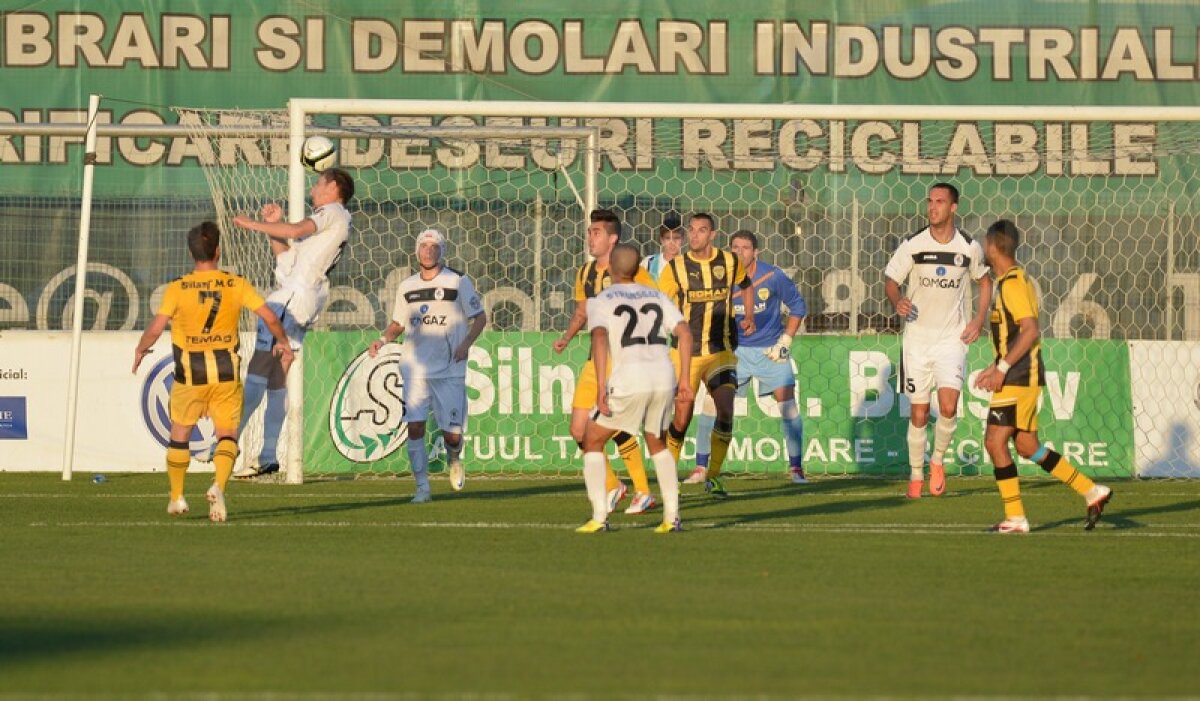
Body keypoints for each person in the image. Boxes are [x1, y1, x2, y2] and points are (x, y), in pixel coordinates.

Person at [132, 221, 294, 522]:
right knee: (227, 436)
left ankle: (177, 497)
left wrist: (141, 349)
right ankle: (218, 486)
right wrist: (283, 341)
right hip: (225, 373)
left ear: (191, 253)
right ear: (218, 251)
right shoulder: (235, 284)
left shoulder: (178, 288)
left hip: (189, 374)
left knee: (179, 435)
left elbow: (156, 328)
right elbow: (270, 316)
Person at [973, 219, 1113, 533]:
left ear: (995, 246)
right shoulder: (1011, 280)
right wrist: (995, 365)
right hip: (1020, 374)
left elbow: (1031, 330)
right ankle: (1091, 490)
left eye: (985, 243)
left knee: (995, 442)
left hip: (1019, 377)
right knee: (1026, 446)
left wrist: (1003, 369)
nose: (983, 248)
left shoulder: (1011, 282)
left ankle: (1016, 518)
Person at [230, 167, 354, 478]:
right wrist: (273, 226)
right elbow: (286, 258)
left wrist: (253, 224)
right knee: (277, 374)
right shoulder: (324, 234)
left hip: (292, 297)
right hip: (302, 295)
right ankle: (269, 454)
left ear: (333, 188)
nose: (313, 190)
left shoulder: (333, 211)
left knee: (259, 370)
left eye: (317, 184)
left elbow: (297, 230)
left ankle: (227, 442)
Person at [576, 243, 693, 533]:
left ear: (611, 268)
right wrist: (686, 379)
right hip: (664, 377)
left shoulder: (602, 299)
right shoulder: (657, 296)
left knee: (591, 439)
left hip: (630, 378)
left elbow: (600, 338)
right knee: (657, 443)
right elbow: (685, 332)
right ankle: (672, 517)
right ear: (638, 268)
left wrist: (602, 385)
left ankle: (599, 517)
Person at [884, 182, 991, 498]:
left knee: (948, 405)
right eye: (930, 201)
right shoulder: (912, 244)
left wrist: (978, 319)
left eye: (940, 202)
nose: (932, 207)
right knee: (918, 414)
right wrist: (897, 300)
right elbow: (891, 281)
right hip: (917, 341)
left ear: (954, 207)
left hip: (951, 340)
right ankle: (916, 476)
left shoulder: (969, 246)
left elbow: (985, 283)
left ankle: (938, 462)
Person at [368, 228, 487, 503]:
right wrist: (382, 339)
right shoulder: (407, 286)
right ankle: (422, 488)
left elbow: (480, 318)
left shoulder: (458, 281)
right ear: (417, 251)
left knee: (452, 435)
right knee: (415, 427)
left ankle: (454, 457)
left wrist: (466, 344)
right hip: (415, 368)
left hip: (449, 369)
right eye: (425, 246)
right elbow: (399, 322)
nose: (429, 251)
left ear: (442, 252)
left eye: (435, 247)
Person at [553, 209, 657, 515]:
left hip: (624, 358)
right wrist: (567, 336)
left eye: (596, 232)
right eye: (589, 231)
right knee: (578, 430)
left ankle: (643, 491)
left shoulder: (631, 269)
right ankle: (614, 485)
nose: (590, 237)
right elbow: (583, 310)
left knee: (612, 423)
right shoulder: (586, 272)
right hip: (594, 357)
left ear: (613, 239)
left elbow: (657, 302)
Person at [692, 230, 809, 484]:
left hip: (770, 351)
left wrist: (785, 341)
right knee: (712, 404)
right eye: (734, 247)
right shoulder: (718, 277)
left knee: (788, 405)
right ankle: (701, 467)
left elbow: (798, 306)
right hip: (733, 352)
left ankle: (796, 468)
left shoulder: (772, 276)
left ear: (755, 252)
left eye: (745, 248)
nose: (739, 252)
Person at [657, 213, 756, 498]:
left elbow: (746, 286)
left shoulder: (729, 261)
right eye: (692, 230)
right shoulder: (675, 267)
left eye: (701, 231)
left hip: (720, 350)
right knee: (681, 418)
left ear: (712, 234)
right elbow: (660, 304)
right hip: (686, 353)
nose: (694, 235)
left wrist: (749, 315)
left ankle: (713, 476)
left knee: (725, 409)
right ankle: (669, 478)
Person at [642, 214, 684, 282]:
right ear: (661, 240)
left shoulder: (688, 265)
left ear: (682, 239)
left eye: (676, 238)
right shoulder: (649, 262)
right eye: (668, 238)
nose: (672, 242)